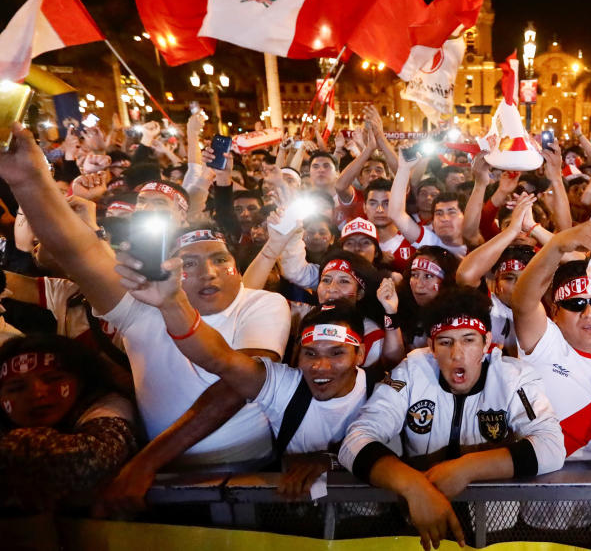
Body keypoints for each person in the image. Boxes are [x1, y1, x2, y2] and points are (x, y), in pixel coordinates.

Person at [0, 124, 291, 468]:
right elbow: (77, 254)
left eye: (219, 260)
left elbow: (235, 386)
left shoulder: (263, 304)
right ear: (170, 265)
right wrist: (28, 180)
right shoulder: (141, 306)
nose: (208, 273)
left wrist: (144, 464)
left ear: (236, 266)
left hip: (252, 472)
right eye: (190, 263)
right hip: (162, 484)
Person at [339, 287, 564, 551]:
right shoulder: (412, 370)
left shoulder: (514, 376)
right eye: (445, 342)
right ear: (432, 346)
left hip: (496, 533)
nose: (457, 354)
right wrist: (414, 487)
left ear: (487, 342)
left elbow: (551, 446)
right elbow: (354, 441)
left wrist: (467, 468)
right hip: (421, 527)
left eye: (469, 340)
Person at [129, 302, 369, 501]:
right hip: (298, 511)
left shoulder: (381, 389)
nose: (320, 367)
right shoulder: (284, 385)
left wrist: (329, 460)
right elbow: (220, 359)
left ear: (360, 354)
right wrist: (172, 302)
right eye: (311, 353)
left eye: (337, 353)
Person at [512, 221, 591, 461]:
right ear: (555, 312)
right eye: (576, 304)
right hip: (539, 484)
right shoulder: (545, 343)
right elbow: (524, 302)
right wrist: (557, 245)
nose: (588, 313)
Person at [1, 334, 138, 512]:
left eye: (53, 379)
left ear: (82, 381)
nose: (37, 393)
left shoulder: (108, 405)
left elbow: (92, 460)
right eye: (16, 388)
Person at [390, 151, 468, 257]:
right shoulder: (430, 241)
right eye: (439, 213)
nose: (445, 218)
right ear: (433, 221)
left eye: (452, 212)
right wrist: (403, 169)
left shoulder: (477, 247)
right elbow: (396, 214)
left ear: (464, 216)